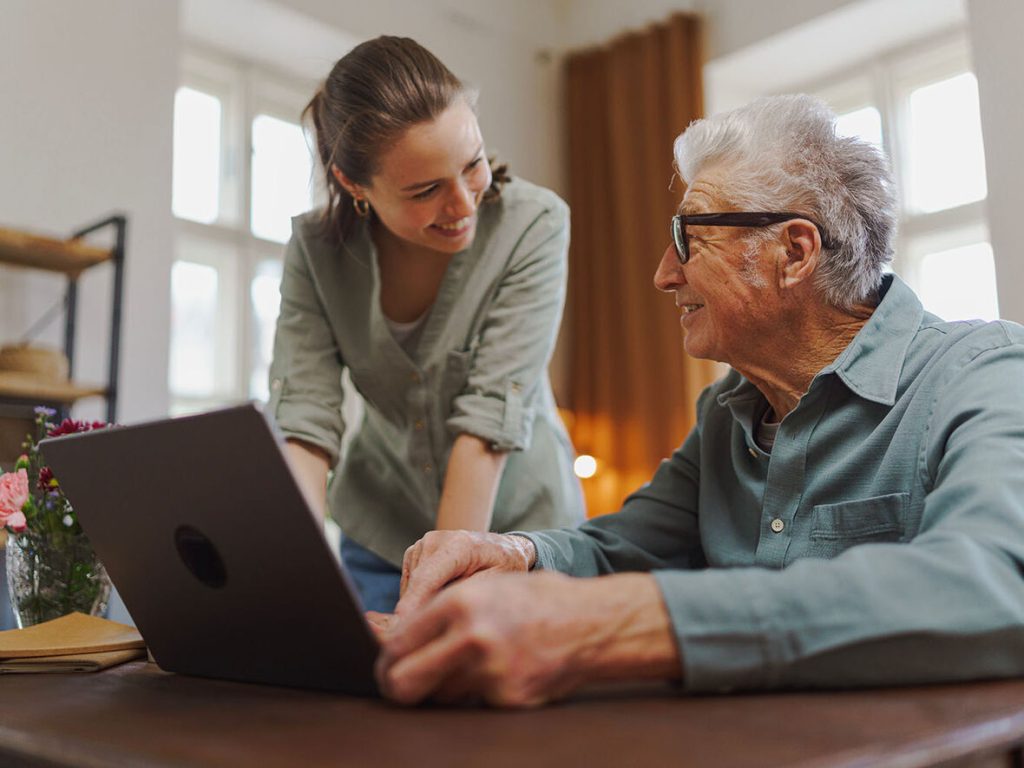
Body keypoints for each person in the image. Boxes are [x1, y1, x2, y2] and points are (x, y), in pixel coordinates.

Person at [372, 94, 1024, 707]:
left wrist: (623, 624)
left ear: (793, 251)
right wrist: (517, 557)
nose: (663, 273)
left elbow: (997, 587)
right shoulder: (726, 413)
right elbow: (620, 550)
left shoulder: (984, 374)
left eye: (690, 237)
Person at [267, 36, 584, 614]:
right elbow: (306, 422)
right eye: (426, 190)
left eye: (473, 165)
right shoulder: (316, 251)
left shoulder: (532, 225)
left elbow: (488, 422)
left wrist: (435, 599)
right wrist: (293, 576)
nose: (463, 203)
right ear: (353, 184)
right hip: (382, 536)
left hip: (523, 541)